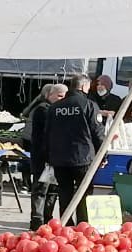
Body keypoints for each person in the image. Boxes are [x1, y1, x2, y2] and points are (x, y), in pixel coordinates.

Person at [42, 75, 105, 224]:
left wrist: (48, 157)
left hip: (59, 159)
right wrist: (103, 155)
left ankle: (66, 226)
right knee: (84, 193)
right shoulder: (89, 105)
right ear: (83, 87)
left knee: (64, 194)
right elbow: (98, 134)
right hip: (82, 157)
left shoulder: (55, 107)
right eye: (89, 87)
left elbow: (47, 134)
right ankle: (83, 225)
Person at [22, 83, 60, 228]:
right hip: (42, 156)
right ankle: (38, 220)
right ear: (49, 95)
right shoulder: (43, 110)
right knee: (41, 188)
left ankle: (46, 218)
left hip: (47, 156)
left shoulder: (44, 108)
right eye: (59, 96)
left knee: (50, 189)